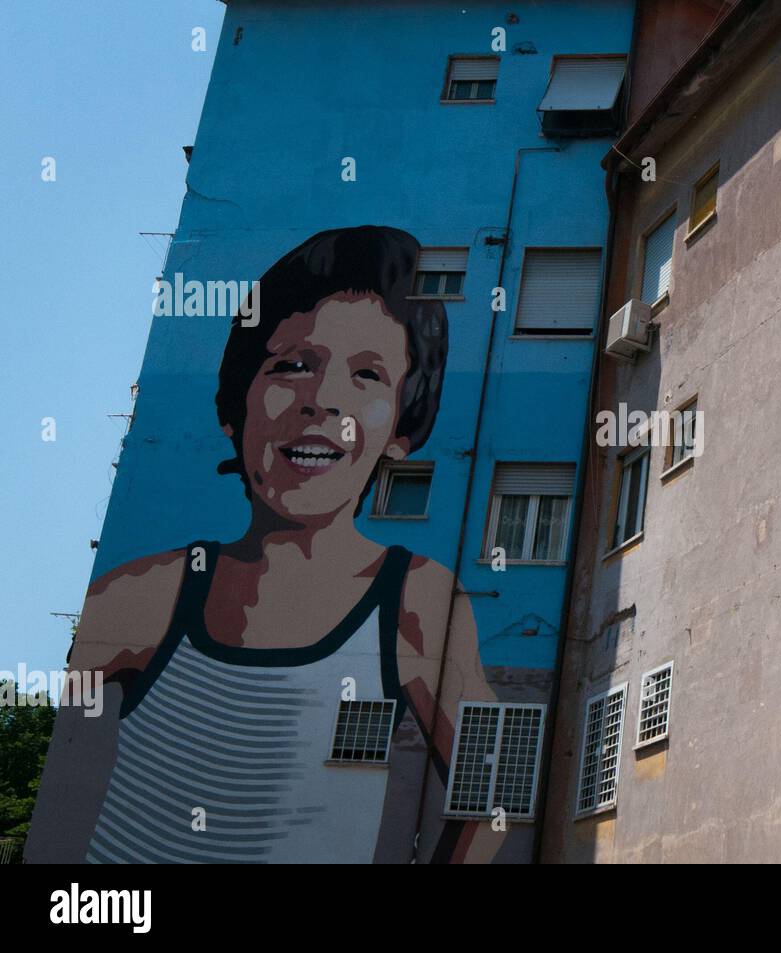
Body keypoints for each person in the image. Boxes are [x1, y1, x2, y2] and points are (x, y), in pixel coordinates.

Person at [57, 226, 494, 862]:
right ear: (236, 407)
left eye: (368, 375)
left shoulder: (414, 602)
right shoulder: (142, 595)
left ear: (403, 426)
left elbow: (493, 789)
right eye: (292, 365)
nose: (322, 401)